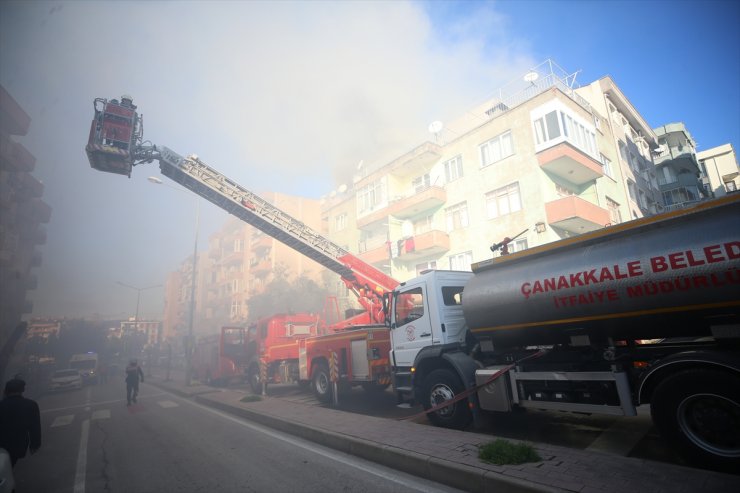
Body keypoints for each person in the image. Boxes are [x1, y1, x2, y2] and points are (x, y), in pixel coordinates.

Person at [0, 378, 41, 468]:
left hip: (2, 444)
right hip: (20, 444)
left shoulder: (2, 405)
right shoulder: (31, 405)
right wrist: (35, 444)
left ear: (6, 391)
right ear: (22, 390)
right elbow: (35, 427)